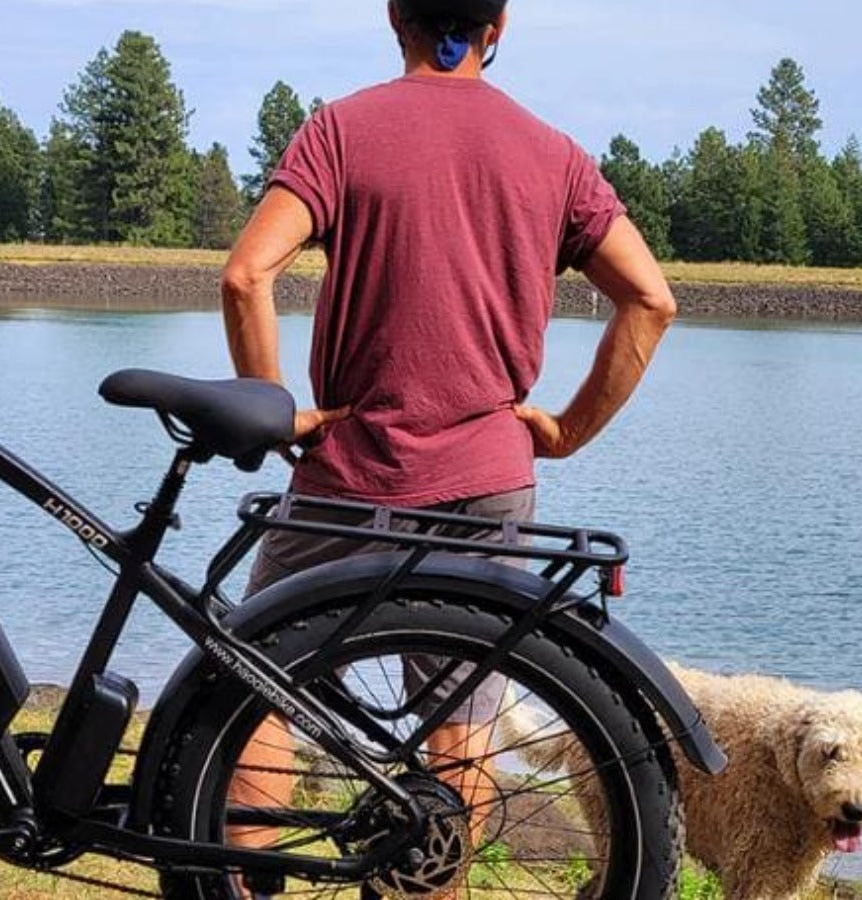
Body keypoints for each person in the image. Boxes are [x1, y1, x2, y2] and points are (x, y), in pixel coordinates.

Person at [217, 0, 680, 887]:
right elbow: (651, 300)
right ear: (499, 25)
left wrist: (275, 409)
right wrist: (567, 430)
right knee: (460, 711)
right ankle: (434, 887)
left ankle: (237, 881)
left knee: (261, 684)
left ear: (396, 15)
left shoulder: (342, 131)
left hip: (349, 473)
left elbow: (246, 274)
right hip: (487, 479)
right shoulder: (553, 153)